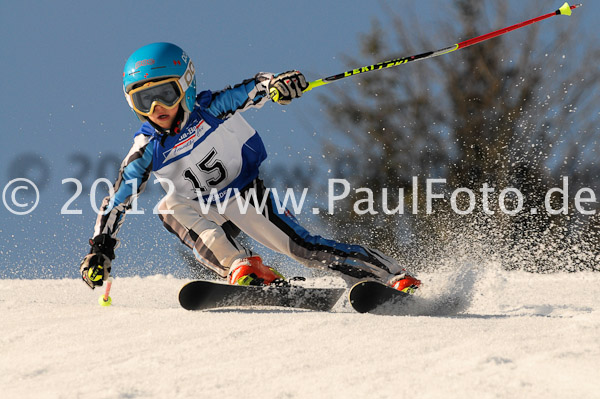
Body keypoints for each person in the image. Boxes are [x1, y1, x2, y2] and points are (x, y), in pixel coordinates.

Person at [79, 42, 421, 293]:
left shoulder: (210, 108)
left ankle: (389, 276)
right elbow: (118, 199)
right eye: (143, 101)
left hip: (244, 196)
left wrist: (277, 86)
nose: (156, 108)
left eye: (165, 94)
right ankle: (243, 267)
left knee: (305, 249)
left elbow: (253, 88)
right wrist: (100, 248)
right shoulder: (146, 149)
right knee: (168, 207)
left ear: (186, 86)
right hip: (198, 206)